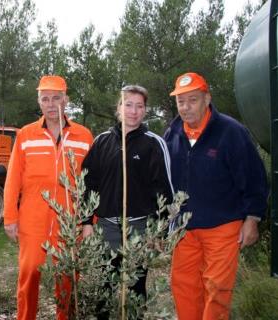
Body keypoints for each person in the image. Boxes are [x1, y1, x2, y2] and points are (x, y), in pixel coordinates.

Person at [164, 72, 269, 320]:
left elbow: (254, 177)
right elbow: (163, 181)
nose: (186, 107)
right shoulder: (172, 133)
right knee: (184, 288)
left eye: (193, 100)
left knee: (217, 290)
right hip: (183, 230)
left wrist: (252, 218)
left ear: (207, 98)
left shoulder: (231, 132)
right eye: (181, 101)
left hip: (223, 227)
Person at [3, 75, 93, 320]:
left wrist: (89, 222)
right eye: (45, 99)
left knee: (67, 277)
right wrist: (10, 216)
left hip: (69, 221)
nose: (51, 104)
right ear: (39, 102)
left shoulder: (84, 136)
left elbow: (92, 183)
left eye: (57, 98)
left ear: (66, 100)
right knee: (29, 273)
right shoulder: (25, 135)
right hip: (33, 219)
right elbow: (13, 179)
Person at [81, 85, 173, 318]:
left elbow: (164, 190)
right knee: (104, 287)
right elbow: (87, 183)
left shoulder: (154, 143)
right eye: (128, 104)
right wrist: (86, 223)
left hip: (139, 227)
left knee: (135, 286)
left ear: (145, 110)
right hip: (106, 226)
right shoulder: (102, 141)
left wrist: (158, 232)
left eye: (139, 106)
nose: (133, 111)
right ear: (119, 108)